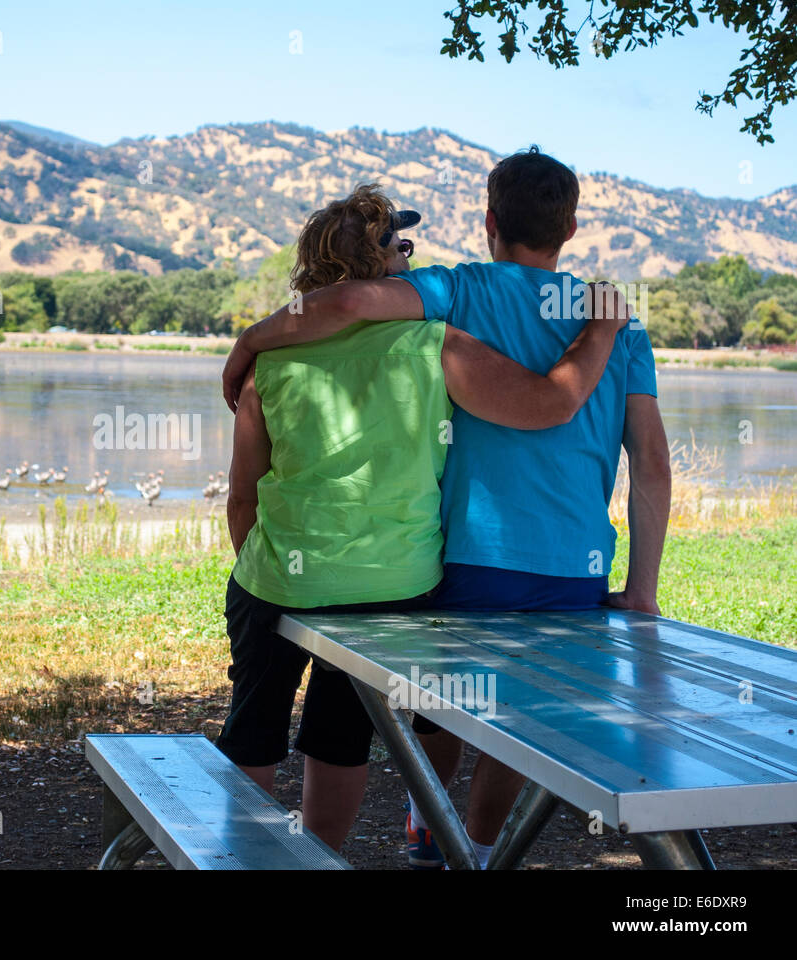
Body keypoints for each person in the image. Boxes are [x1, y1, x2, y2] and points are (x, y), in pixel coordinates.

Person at [223, 149, 671, 869]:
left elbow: (338, 312)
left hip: (421, 562)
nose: (408, 251)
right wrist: (642, 588)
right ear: (572, 226)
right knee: (506, 722)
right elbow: (620, 443)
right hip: (532, 568)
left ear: (489, 221)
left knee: (406, 712)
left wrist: (248, 341)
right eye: (398, 243)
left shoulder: (446, 297)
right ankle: (461, 842)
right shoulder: (593, 325)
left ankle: (387, 822)